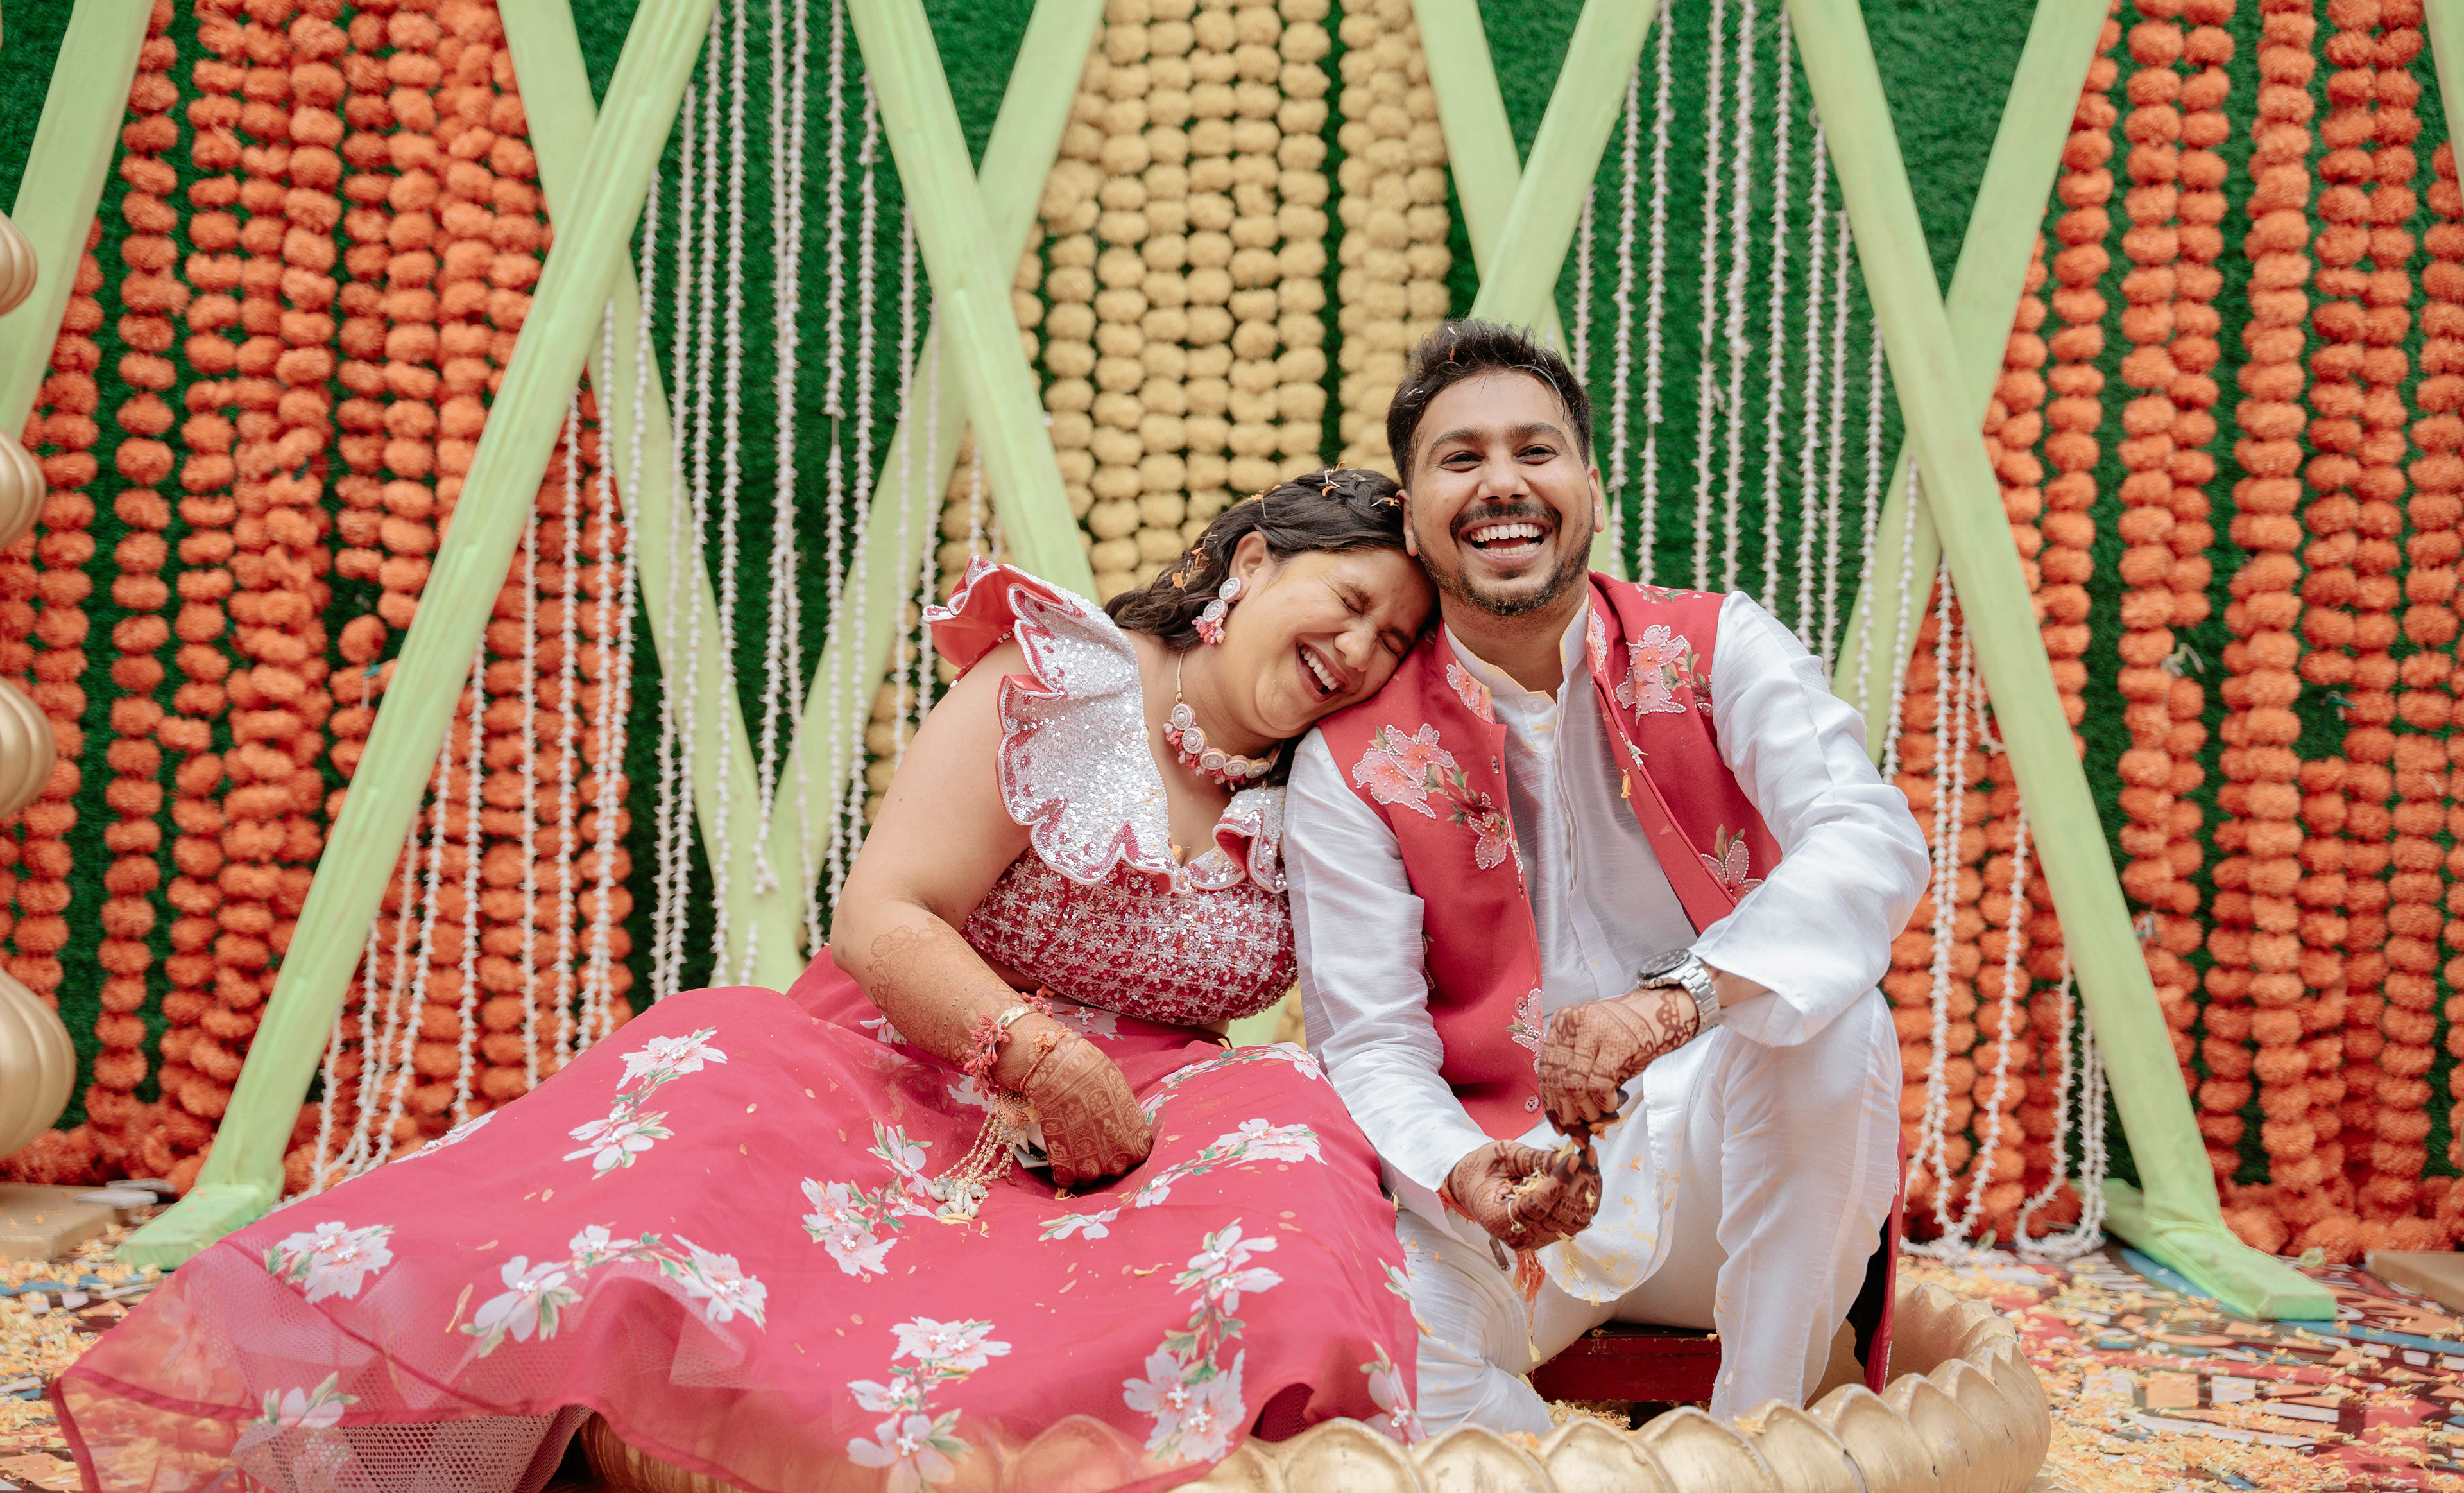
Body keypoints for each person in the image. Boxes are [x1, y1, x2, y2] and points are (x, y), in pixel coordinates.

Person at [58, 469, 1436, 1493]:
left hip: (1131, 1143)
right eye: (1356, 601)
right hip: (916, 1063)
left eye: (1393, 646)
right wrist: (1038, 1056)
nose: (1362, 651)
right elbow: (886, 917)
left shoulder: (1327, 794)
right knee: (705, 1093)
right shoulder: (1068, 681)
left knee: (1292, 1134)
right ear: (1252, 561)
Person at [1287, 322, 1930, 1429]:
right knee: (1383, 1366)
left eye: (1535, 451)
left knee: (1838, 1029)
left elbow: (1867, 838)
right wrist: (1466, 1173)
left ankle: (1753, 1445)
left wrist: (1671, 1005)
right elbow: (1372, 1043)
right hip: (1507, 1201)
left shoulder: (1719, 647)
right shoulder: (1351, 761)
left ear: (1590, 488)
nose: (1502, 483)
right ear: (1414, 518)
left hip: (1732, 1175)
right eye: (1459, 458)